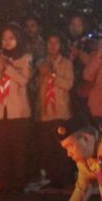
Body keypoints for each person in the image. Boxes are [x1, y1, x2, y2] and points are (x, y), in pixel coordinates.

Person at [0, 23, 32, 192]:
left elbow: (24, 79)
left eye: (11, 38)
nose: (7, 41)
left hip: (18, 110)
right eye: (4, 38)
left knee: (18, 148)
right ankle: (4, 182)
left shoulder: (25, 58)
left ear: (18, 40)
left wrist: (8, 68)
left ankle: (19, 182)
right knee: (1, 148)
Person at [35, 33, 75, 189]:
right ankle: (52, 178)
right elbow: (35, 86)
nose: (52, 46)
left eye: (56, 42)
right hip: (45, 111)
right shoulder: (40, 63)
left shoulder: (66, 63)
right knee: (48, 147)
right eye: (49, 42)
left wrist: (52, 73)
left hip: (61, 110)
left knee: (62, 146)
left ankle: (65, 178)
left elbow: (68, 84)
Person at [67, 14, 95, 116]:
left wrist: (79, 54)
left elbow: (92, 65)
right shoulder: (64, 44)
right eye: (73, 24)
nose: (75, 28)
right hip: (67, 88)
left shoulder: (90, 44)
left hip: (84, 88)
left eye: (79, 25)